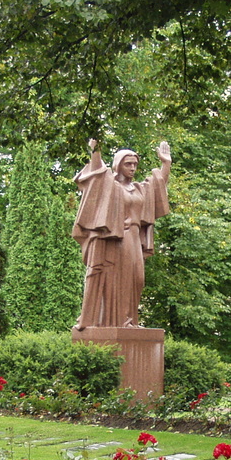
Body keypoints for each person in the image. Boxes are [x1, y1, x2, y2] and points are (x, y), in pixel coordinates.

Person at [72, 139, 171, 329]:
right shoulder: (111, 185)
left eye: (135, 164)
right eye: (128, 164)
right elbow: (97, 171)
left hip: (135, 238)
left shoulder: (140, 188)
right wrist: (96, 149)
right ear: (118, 165)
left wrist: (166, 163)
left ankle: (131, 320)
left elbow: (158, 186)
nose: (133, 168)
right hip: (117, 238)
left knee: (137, 279)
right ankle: (120, 322)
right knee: (123, 278)